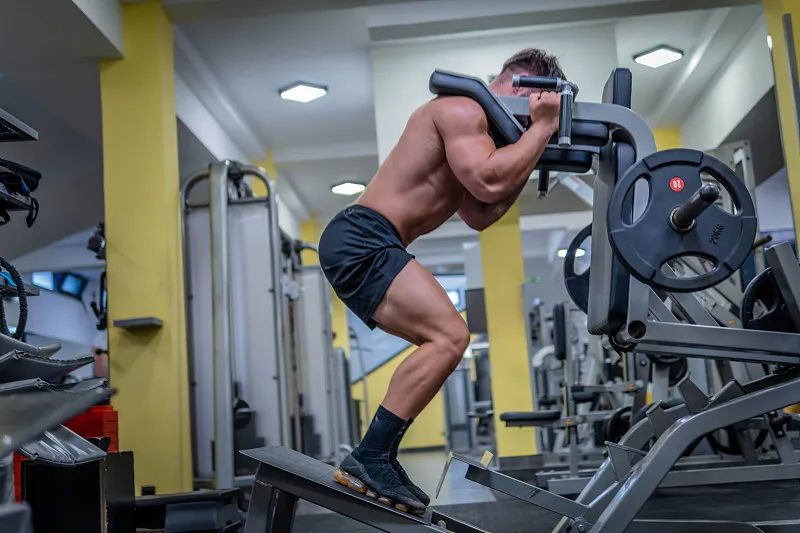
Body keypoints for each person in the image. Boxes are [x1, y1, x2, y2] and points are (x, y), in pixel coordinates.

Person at [318, 48, 565, 514]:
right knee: (451, 336)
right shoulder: (463, 109)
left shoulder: (478, 132)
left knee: (443, 341)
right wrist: (542, 129)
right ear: (526, 87)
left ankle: (378, 456)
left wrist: (532, 145)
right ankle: (371, 455)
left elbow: (480, 213)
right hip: (363, 236)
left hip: (370, 240)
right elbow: (489, 182)